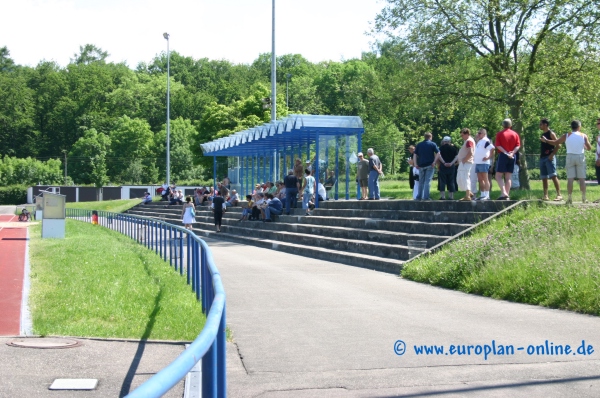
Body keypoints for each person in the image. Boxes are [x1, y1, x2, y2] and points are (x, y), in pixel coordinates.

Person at [542, 120, 592, 204]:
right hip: (580, 156)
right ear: (579, 127)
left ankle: (569, 198)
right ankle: (583, 198)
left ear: (571, 127)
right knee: (582, 178)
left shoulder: (567, 135)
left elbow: (556, 142)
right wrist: (584, 146)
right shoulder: (583, 135)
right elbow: (589, 147)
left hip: (570, 156)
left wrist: (546, 140)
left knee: (570, 178)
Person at [495, 119, 521, 200]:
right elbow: (518, 145)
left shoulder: (499, 134)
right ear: (510, 125)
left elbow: (498, 145)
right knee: (508, 176)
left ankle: (504, 193)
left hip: (503, 155)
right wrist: (512, 153)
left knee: (498, 175)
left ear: (503, 125)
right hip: (512, 156)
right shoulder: (515, 134)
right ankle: (506, 195)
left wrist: (506, 153)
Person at [538, 118, 563, 201]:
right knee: (544, 177)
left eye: (541, 124)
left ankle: (559, 195)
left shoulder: (551, 133)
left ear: (545, 124)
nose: (539, 126)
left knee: (553, 176)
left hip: (549, 157)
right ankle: (545, 195)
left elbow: (558, 145)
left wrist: (552, 154)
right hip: (542, 158)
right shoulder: (543, 135)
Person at [413, 133, 439, 200]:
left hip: (421, 165)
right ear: (430, 137)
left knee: (421, 181)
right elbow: (438, 153)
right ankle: (426, 197)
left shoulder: (419, 144)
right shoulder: (433, 144)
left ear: (424, 137)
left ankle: (419, 196)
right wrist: (434, 162)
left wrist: (415, 164)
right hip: (430, 165)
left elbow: (415, 154)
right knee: (427, 181)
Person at [473, 129, 495, 200]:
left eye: (480, 133)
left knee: (485, 179)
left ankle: (487, 195)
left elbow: (492, 148)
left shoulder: (486, 140)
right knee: (480, 179)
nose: (478, 134)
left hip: (484, 163)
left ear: (484, 134)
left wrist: (488, 157)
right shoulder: (480, 141)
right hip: (478, 162)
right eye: (478, 133)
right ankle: (482, 194)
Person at [454, 128, 475, 201]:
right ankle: (470, 193)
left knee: (465, 178)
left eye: (462, 135)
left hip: (466, 162)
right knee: (460, 178)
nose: (462, 137)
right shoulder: (467, 141)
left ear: (467, 134)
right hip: (464, 162)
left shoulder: (469, 141)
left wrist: (464, 160)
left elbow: (470, 152)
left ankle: (467, 196)